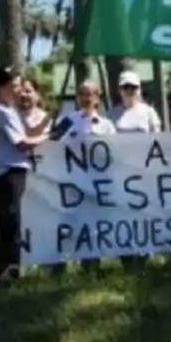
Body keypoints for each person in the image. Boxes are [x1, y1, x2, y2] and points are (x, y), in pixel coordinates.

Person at [0, 67, 52, 285]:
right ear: (2, 87)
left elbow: (28, 134)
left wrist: (48, 122)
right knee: (10, 227)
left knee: (11, 225)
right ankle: (7, 273)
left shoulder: (7, 110)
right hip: (7, 175)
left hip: (8, 175)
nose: (19, 90)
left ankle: (8, 271)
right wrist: (49, 137)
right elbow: (22, 143)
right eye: (15, 85)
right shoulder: (1, 112)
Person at [51, 79, 115, 275]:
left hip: (96, 185)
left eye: (90, 94)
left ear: (97, 98)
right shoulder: (67, 121)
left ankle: (91, 267)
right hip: (71, 185)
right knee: (67, 226)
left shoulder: (106, 126)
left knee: (93, 226)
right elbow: (51, 144)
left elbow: (115, 153)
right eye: (82, 94)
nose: (86, 98)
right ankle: (57, 268)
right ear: (77, 98)